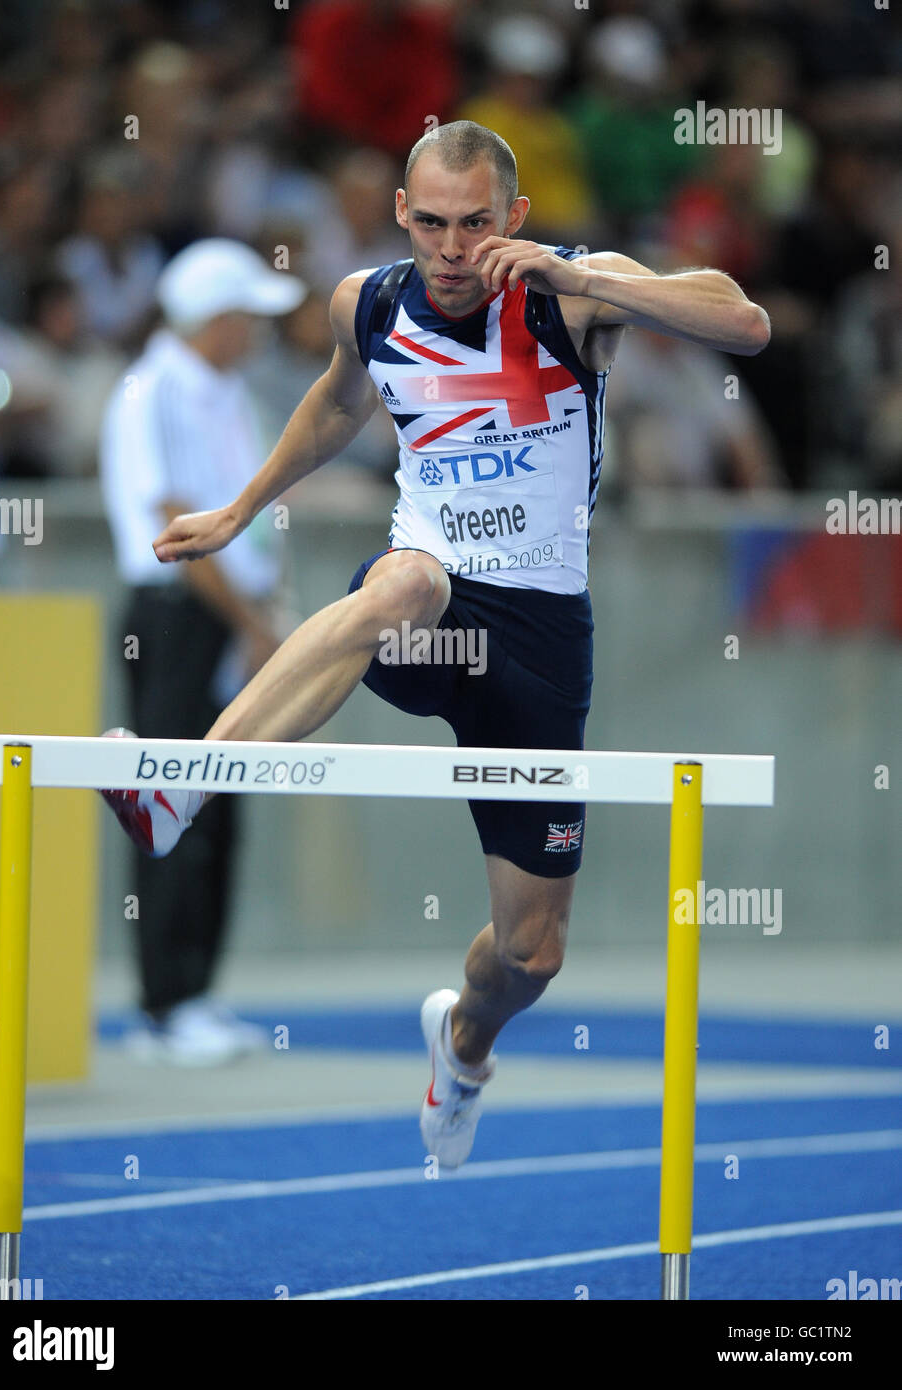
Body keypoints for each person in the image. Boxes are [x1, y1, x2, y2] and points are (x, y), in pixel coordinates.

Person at [101, 122, 770, 1157]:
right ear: (402, 216)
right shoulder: (365, 302)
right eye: (431, 224)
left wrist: (580, 276)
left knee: (531, 952)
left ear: (513, 217)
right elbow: (337, 402)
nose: (453, 249)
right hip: (432, 619)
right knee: (402, 579)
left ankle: (462, 1047)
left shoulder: (569, 291)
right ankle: (176, 790)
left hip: (542, 639)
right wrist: (239, 511)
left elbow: (746, 321)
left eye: (475, 225)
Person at [99, 238, 306, 1064]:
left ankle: (199, 992)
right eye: (245, 318)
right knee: (165, 805)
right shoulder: (152, 388)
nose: (255, 332)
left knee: (216, 801)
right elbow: (173, 516)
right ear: (214, 320)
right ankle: (164, 1004)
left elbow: (253, 512)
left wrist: (265, 610)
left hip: (229, 613)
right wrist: (250, 619)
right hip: (177, 613)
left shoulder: (225, 392)